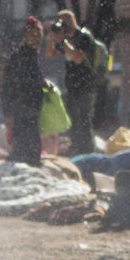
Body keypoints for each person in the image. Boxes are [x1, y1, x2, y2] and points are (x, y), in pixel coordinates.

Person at [46, 10, 100, 156]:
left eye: (65, 22)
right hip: (72, 86)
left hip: (86, 86)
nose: (63, 26)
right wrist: (52, 38)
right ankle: (76, 147)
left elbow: (78, 58)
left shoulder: (84, 37)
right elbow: (50, 54)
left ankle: (87, 150)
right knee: (73, 119)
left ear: (72, 20)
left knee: (84, 119)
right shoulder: (64, 39)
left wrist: (63, 42)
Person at [0, 16, 47, 166]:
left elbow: (34, 81)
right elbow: (8, 87)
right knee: (25, 150)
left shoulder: (32, 55)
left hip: (31, 110)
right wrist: (7, 113)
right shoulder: (19, 56)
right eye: (34, 34)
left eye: (40, 34)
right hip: (22, 110)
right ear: (26, 35)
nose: (38, 38)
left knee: (31, 149)